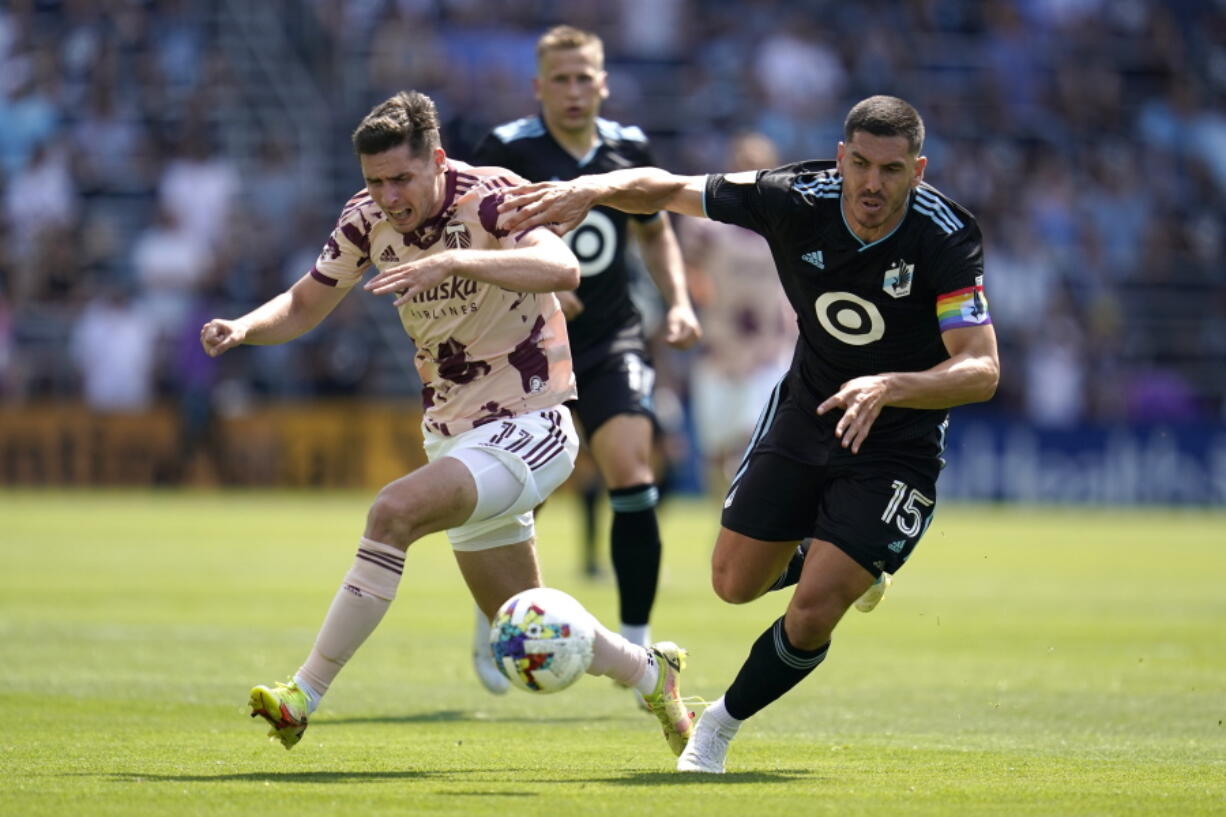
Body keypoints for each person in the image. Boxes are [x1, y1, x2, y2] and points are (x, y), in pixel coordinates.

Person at [498, 95, 1000, 773]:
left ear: (918, 169)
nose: (873, 184)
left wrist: (891, 386)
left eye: (892, 169)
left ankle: (717, 726)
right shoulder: (793, 196)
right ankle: (842, 555)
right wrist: (591, 187)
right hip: (808, 410)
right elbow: (669, 189)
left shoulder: (945, 236)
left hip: (897, 443)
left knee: (816, 607)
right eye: (862, 165)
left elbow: (981, 367)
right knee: (733, 582)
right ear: (843, 157)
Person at [200, 90, 695, 757]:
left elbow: (562, 266)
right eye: (375, 181)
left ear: (436, 159)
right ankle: (650, 672)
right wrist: (243, 328)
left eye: (401, 177)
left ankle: (302, 694)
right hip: (455, 435)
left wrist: (459, 258)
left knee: (392, 511)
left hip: (535, 420)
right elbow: (303, 302)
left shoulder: (490, 196)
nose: (389, 196)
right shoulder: (364, 220)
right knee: (519, 621)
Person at [464, 27, 701, 685]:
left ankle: (637, 642)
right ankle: (498, 623)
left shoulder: (628, 149)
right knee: (523, 494)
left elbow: (656, 236)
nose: (573, 91)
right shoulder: (507, 149)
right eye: (559, 80)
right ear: (539, 87)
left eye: (583, 78)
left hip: (612, 337)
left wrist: (678, 301)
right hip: (533, 345)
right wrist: (538, 285)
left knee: (632, 471)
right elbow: (480, 243)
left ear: (603, 83)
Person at [680, 132, 797, 492]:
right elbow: (682, 271)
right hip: (717, 351)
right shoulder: (706, 226)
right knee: (716, 455)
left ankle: (755, 533)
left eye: (759, 165)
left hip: (768, 353)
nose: (752, 172)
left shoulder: (788, 224)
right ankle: (729, 533)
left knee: (753, 447)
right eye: (744, 164)